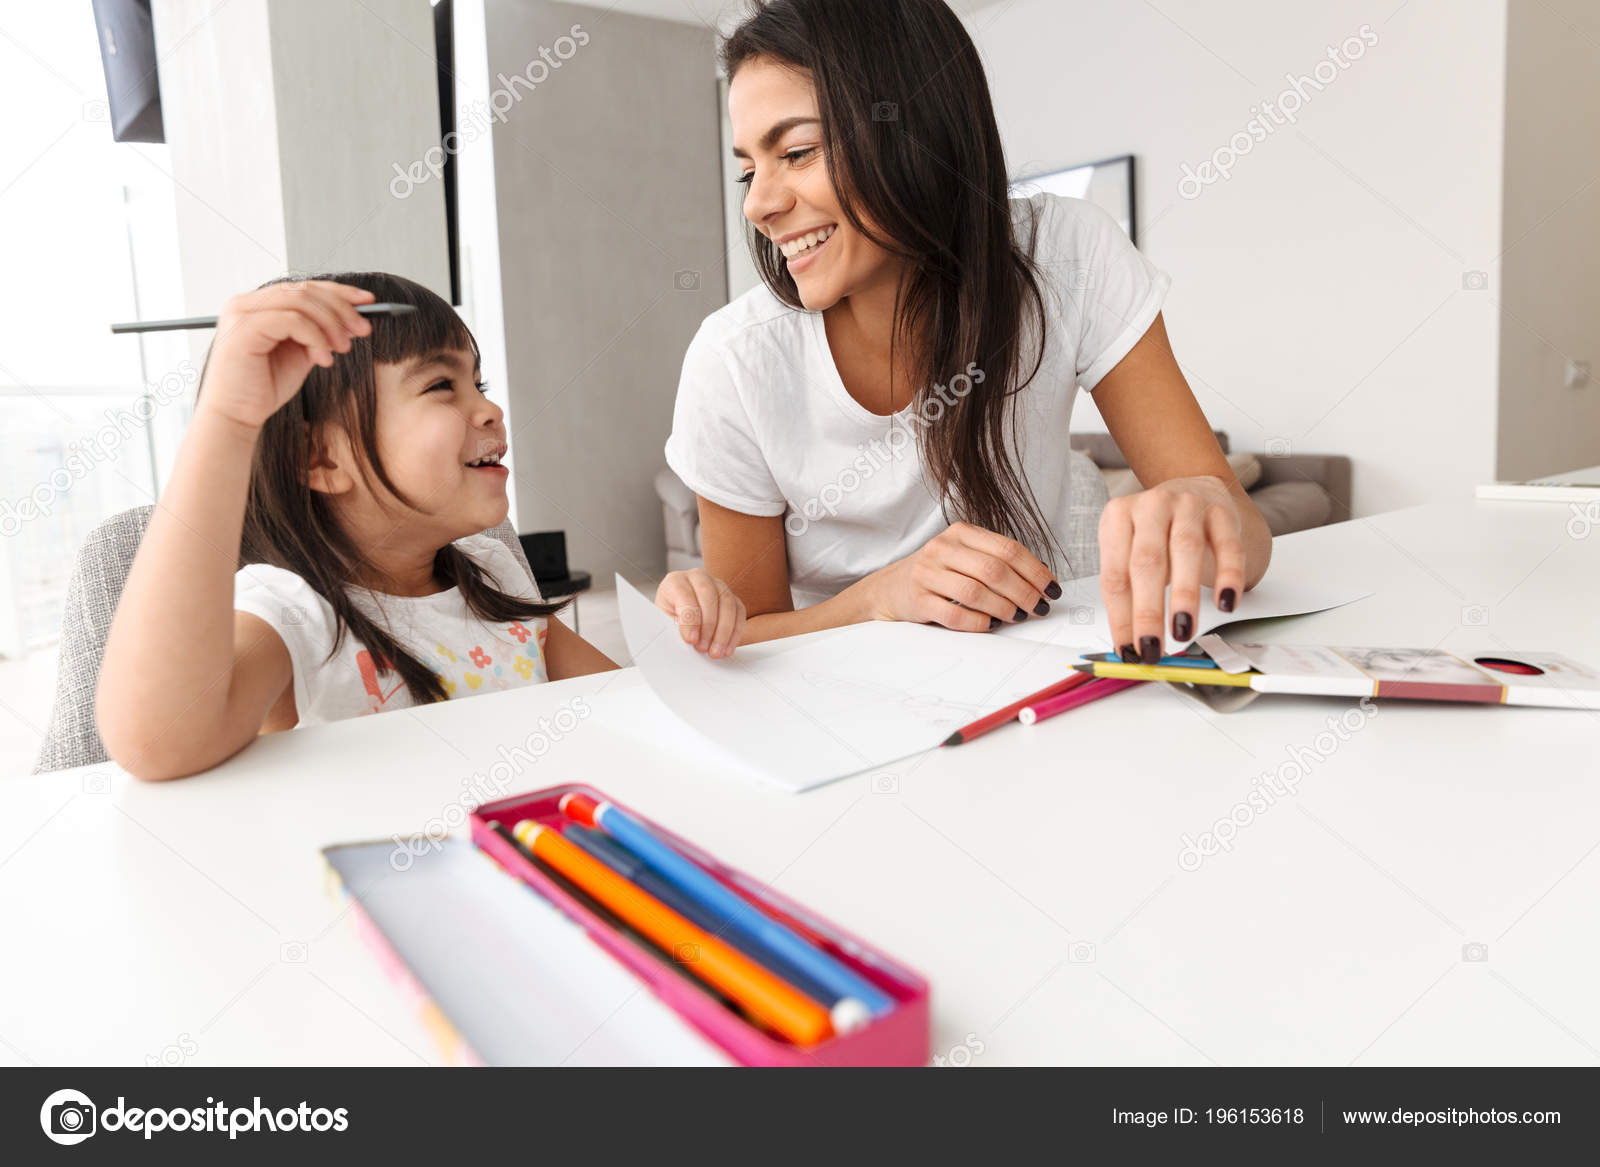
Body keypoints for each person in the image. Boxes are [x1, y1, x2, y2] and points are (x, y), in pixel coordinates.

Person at [666, 0, 1271, 664]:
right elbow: (742, 641)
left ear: (912, 129)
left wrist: (1202, 501)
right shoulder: (735, 362)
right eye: (750, 169)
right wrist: (878, 597)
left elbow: (1247, 537)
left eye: (798, 151)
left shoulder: (1068, 256)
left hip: (1035, 682)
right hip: (844, 709)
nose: (757, 204)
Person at [97, 274, 745, 780]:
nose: (489, 408)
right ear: (320, 458)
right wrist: (228, 422)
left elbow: (632, 711)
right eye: (442, 385)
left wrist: (682, 624)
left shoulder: (490, 577)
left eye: (479, 381)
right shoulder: (295, 615)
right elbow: (159, 739)